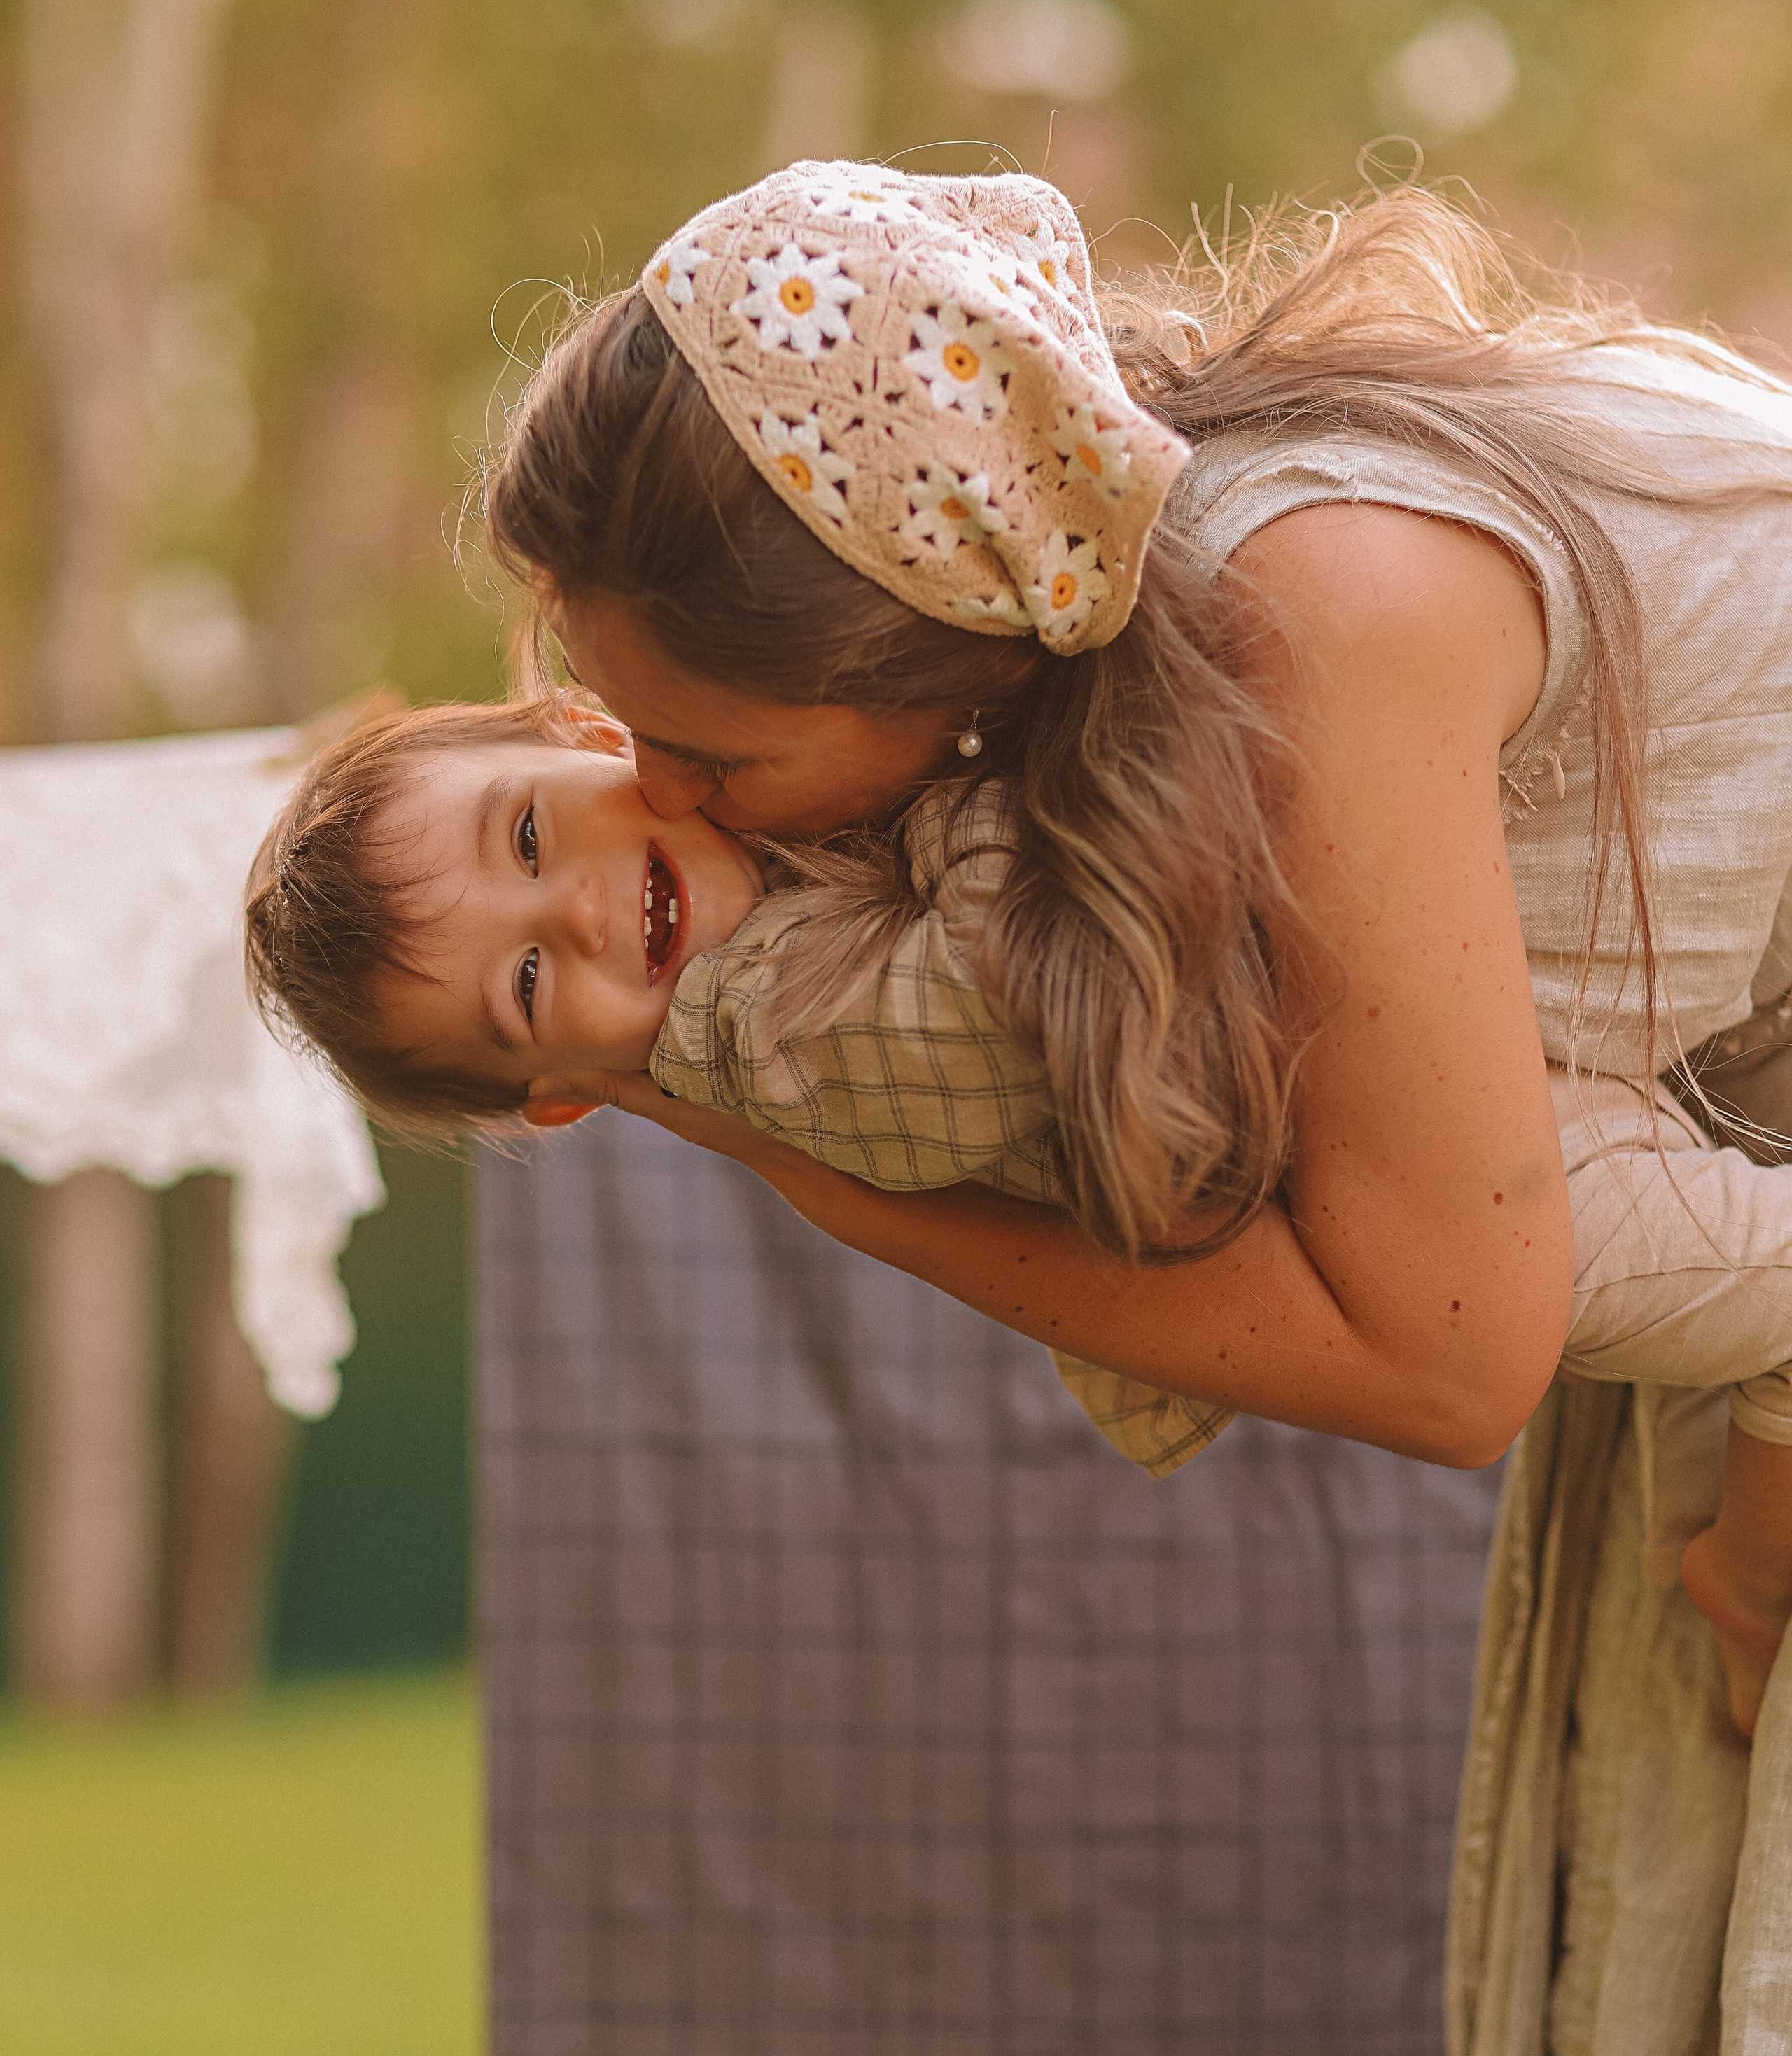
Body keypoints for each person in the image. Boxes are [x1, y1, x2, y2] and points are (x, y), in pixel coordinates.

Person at [249, 685, 1792, 1734]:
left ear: (593, 732)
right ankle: (1743, 1579)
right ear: (565, 1093)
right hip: (1328, 1157)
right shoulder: (769, 1041)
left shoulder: (803, 760)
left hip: (1372, 1021)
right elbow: (1009, 975)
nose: (579, 912)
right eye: (528, 984)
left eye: (528, 837)